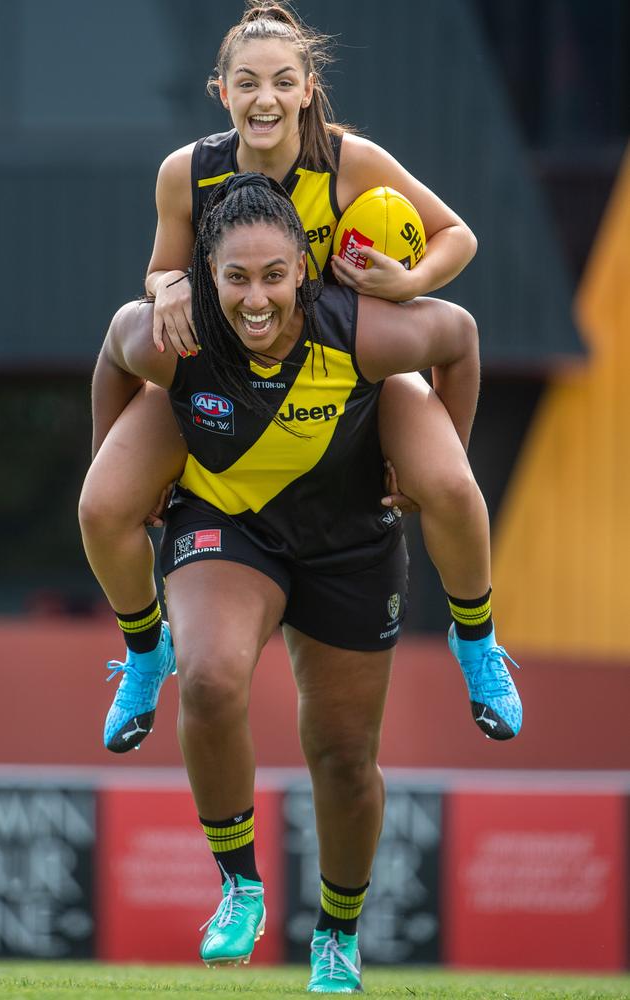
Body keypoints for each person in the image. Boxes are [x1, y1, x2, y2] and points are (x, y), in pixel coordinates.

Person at [89, 171, 513, 989]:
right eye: (236, 278)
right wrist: (124, 464)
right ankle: (239, 884)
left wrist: (425, 465)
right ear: (204, 277)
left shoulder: (359, 333)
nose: (256, 299)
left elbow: (458, 336)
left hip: (351, 537)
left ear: (302, 275)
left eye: (274, 276)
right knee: (208, 682)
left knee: (346, 756)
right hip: (231, 529)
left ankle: (338, 934)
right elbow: (115, 349)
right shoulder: (173, 336)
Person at [79, 0, 521, 755]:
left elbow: (459, 237)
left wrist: (407, 282)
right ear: (221, 91)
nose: (265, 98)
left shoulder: (351, 162)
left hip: (342, 367)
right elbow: (157, 271)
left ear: (308, 87)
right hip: (218, 368)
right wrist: (168, 287)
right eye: (247, 83)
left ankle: (475, 641)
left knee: (451, 488)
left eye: (283, 81)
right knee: (101, 507)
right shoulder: (185, 172)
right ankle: (148, 656)